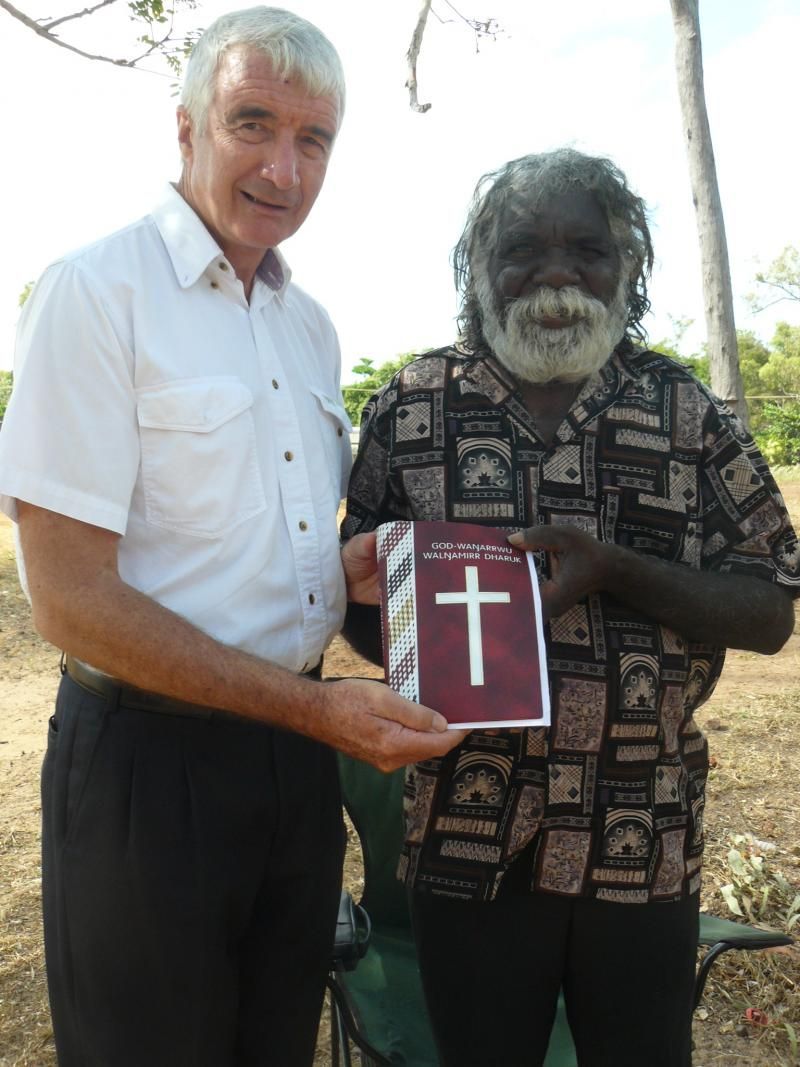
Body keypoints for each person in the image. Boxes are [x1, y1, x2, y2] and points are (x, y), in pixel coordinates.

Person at [0, 8, 463, 1066]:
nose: (283, 167)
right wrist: (316, 707)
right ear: (186, 129)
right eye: (252, 123)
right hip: (146, 771)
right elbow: (68, 598)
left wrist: (332, 566)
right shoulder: (96, 293)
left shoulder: (308, 326)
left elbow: (242, 531)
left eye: (314, 140)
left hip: (294, 764)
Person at [341, 148, 799, 1067]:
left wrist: (617, 568)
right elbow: (359, 610)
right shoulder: (410, 404)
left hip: (639, 830)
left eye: (585, 249)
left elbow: (772, 606)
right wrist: (401, 618)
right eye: (523, 250)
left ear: (627, 264)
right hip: (469, 837)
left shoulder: (684, 410)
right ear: (478, 266)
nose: (556, 277)